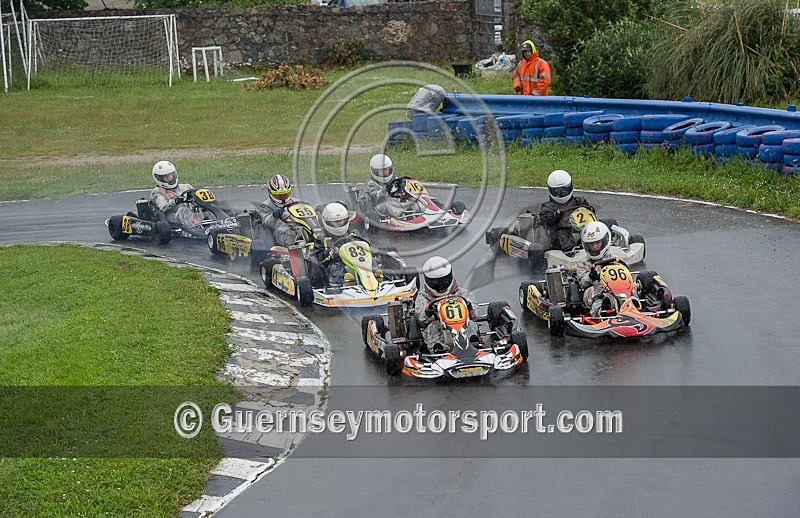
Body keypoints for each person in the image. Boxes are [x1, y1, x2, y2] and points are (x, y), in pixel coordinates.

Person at [413, 256, 479, 353]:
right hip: (440, 326)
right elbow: (420, 318)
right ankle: (438, 349)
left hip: (461, 324)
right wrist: (429, 313)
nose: (441, 285)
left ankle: (473, 344)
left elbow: (475, 314)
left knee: (470, 324)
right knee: (434, 327)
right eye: (436, 282)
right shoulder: (424, 297)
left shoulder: (461, 293)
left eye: (443, 280)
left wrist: (469, 308)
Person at [312, 202, 366, 287]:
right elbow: (317, 257)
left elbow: (365, 243)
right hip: (335, 263)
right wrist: (330, 254)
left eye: (342, 220)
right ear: (327, 222)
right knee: (336, 268)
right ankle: (343, 286)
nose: (340, 223)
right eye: (336, 222)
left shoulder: (353, 233)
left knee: (372, 262)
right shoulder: (322, 239)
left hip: (357, 260)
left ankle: (377, 280)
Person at [538, 169, 594, 252]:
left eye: (565, 190)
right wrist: (555, 216)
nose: (562, 194)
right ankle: (571, 251)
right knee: (562, 233)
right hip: (558, 239)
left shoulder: (580, 202)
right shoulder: (547, 207)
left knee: (597, 227)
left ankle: (601, 243)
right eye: (558, 191)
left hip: (582, 231)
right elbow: (545, 222)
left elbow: (589, 217)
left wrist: (591, 210)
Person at [365, 153, 422, 219]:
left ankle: (424, 212)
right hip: (380, 207)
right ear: (375, 171)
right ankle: (403, 217)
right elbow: (376, 197)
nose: (385, 173)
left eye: (386, 170)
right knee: (390, 203)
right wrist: (385, 190)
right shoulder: (372, 184)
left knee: (412, 198)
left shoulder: (395, 180)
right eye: (382, 171)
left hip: (397, 200)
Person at [576, 221, 614, 317]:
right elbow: (582, 283)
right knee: (593, 292)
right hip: (595, 288)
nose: (595, 247)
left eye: (597, 243)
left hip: (614, 287)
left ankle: (635, 305)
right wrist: (590, 277)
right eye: (591, 244)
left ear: (604, 241)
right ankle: (601, 312)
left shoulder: (613, 259)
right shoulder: (583, 262)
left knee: (632, 287)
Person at [258, 174, 303, 247]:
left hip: (298, 226)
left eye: (285, 195)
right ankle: (295, 248)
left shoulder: (296, 202)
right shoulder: (266, 206)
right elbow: (266, 224)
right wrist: (274, 216)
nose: (283, 199)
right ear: (270, 192)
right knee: (283, 232)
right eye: (279, 196)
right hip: (280, 230)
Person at [149, 160, 197, 229]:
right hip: (171, 216)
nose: (169, 178)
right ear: (159, 178)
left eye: (170, 175)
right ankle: (193, 229)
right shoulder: (157, 192)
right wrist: (175, 202)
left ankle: (216, 223)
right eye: (166, 177)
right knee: (183, 211)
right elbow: (163, 208)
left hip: (191, 213)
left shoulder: (186, 187)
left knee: (206, 208)